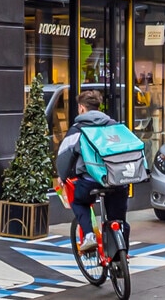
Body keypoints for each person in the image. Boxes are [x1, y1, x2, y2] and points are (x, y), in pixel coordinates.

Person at [54, 89, 130, 257]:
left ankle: (89, 235)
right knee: (118, 219)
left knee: (79, 203)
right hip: (116, 179)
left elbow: (65, 156)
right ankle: (122, 251)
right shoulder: (113, 125)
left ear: (81, 108)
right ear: (98, 106)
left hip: (90, 180)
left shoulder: (78, 129)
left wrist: (62, 175)